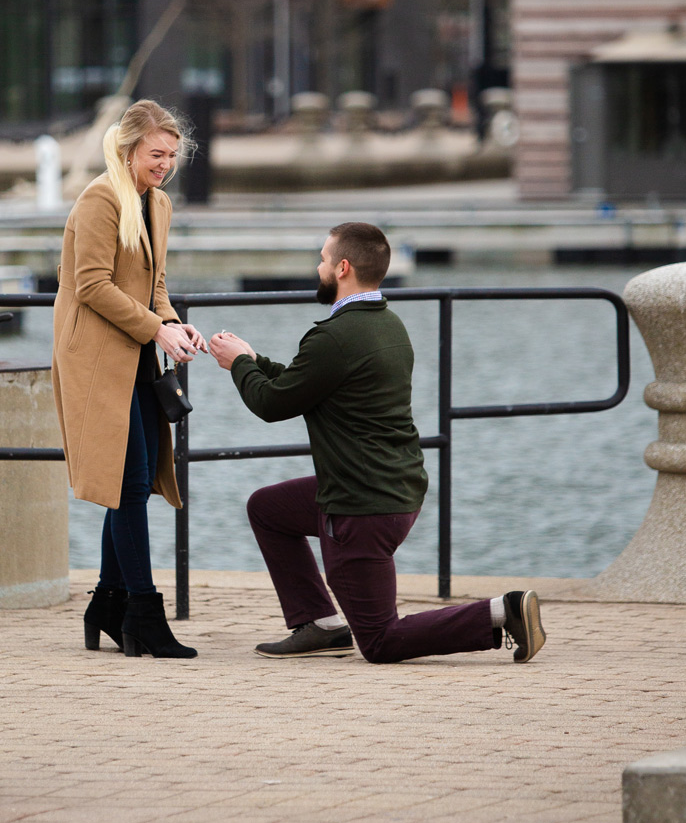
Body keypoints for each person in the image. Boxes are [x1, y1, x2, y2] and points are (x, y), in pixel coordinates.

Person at [210, 222, 545, 665]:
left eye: (324, 259)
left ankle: (502, 612)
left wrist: (238, 367)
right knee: (268, 509)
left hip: (361, 508)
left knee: (381, 641)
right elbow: (302, 381)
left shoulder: (335, 336)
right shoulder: (388, 324)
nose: (318, 266)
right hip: (394, 489)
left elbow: (271, 404)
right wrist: (252, 360)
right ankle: (320, 624)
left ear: (342, 268)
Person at [52, 99, 207, 659]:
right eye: (155, 155)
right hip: (95, 359)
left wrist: (173, 327)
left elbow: (154, 285)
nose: (164, 164)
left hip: (138, 355)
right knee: (129, 487)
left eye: (171, 156)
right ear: (128, 150)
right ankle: (142, 614)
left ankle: (107, 605)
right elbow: (91, 285)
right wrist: (155, 329)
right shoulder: (99, 199)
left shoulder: (158, 203)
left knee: (131, 486)